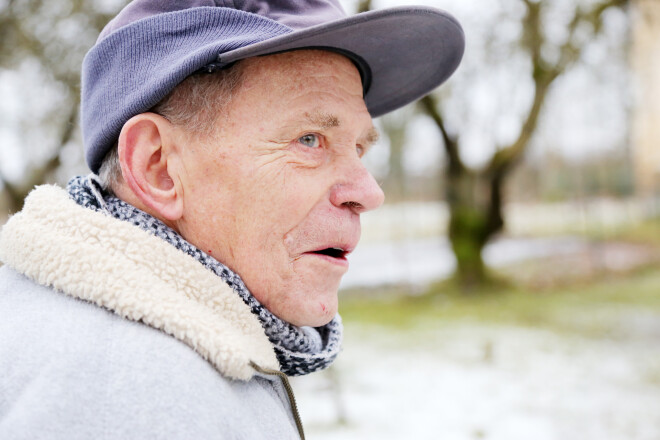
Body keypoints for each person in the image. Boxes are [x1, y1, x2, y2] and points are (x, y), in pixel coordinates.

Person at [0, 0, 463, 438]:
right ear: (158, 166)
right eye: (309, 139)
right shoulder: (134, 394)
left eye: (359, 148)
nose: (369, 192)